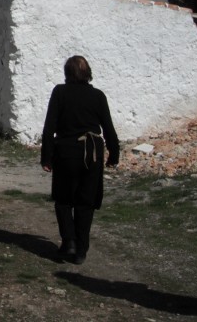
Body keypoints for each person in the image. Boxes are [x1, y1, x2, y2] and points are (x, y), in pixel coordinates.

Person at [40, 55, 119, 264]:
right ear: (88, 73)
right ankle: (81, 250)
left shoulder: (60, 92)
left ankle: (69, 242)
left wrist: (46, 157)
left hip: (66, 152)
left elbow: (49, 127)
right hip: (92, 154)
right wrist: (114, 154)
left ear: (67, 73)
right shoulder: (98, 96)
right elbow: (108, 128)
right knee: (86, 202)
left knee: (64, 200)